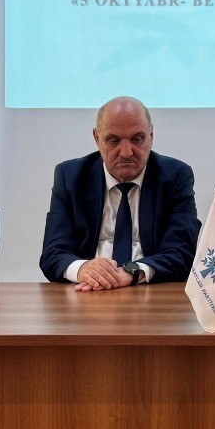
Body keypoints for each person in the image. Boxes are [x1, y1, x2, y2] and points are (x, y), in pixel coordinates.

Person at [39, 96, 200, 290]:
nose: (126, 152)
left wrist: (132, 272)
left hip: (149, 291)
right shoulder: (71, 177)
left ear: (151, 136)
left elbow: (182, 253)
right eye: (114, 140)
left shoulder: (175, 176)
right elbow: (53, 254)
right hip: (89, 292)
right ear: (97, 139)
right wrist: (83, 269)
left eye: (137, 139)